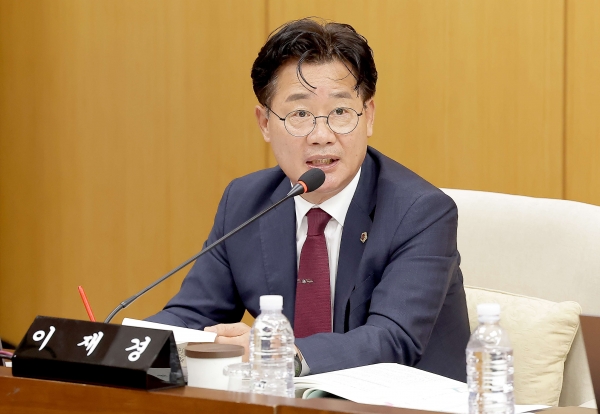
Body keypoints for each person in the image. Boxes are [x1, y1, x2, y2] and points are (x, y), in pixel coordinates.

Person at [147, 17, 470, 382]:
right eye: (300, 114)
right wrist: (127, 347)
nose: (321, 135)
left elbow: (392, 339)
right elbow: (192, 316)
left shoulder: (420, 212)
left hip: (403, 400)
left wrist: (277, 354)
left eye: (340, 112)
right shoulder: (246, 202)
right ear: (265, 123)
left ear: (368, 116)